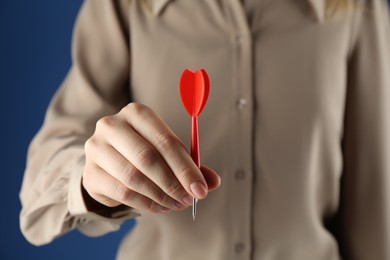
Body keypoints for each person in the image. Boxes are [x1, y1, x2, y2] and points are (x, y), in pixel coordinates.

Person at [19, 0, 390, 259]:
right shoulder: (125, 5)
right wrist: (91, 175)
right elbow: (42, 180)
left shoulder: (357, 10)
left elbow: (374, 195)